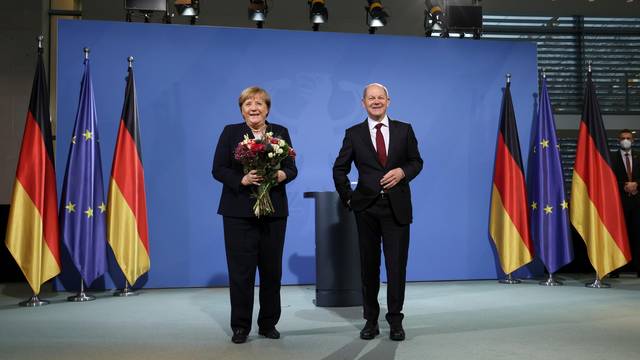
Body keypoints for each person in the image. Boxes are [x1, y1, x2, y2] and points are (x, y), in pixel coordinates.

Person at [332, 83, 423, 341]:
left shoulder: (405, 130)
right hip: (367, 209)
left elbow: (417, 161)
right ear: (363, 103)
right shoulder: (353, 133)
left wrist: (403, 172)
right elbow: (339, 169)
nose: (375, 101)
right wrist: (349, 199)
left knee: (396, 268)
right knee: (369, 268)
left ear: (388, 101)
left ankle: (395, 321)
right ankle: (370, 321)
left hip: (397, 209)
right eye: (370, 98)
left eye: (380, 98)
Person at [212, 86, 297, 344]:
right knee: (241, 272)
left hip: (274, 213)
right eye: (248, 103)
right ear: (241, 109)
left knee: (272, 271)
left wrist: (282, 174)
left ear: (267, 108)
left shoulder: (280, 132)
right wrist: (243, 178)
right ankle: (240, 326)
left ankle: (268, 324)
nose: (254, 108)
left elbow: (291, 167)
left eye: (259, 103)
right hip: (238, 213)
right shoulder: (231, 133)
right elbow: (218, 169)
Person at [610, 129, 640, 278]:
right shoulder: (611, 157)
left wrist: (637, 185)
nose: (626, 140)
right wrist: (624, 185)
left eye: (628, 138)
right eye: (623, 138)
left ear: (633, 140)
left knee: (637, 236)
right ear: (619, 140)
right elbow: (608, 179)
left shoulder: (638, 157)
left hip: (636, 203)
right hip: (618, 203)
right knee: (618, 236)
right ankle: (615, 270)